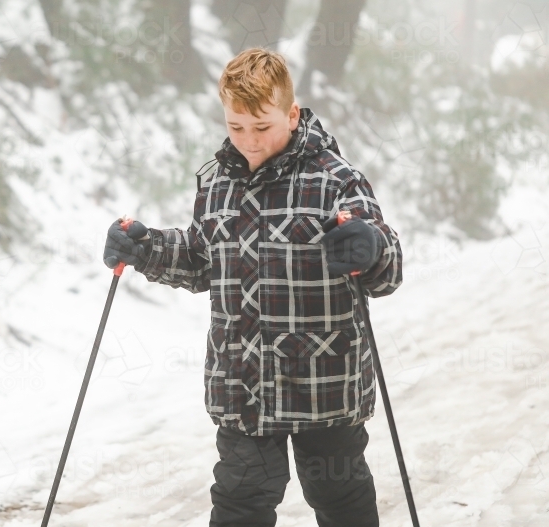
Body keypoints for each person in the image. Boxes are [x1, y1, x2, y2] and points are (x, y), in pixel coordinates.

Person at [102, 47, 403, 527]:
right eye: (235, 126)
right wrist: (147, 248)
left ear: (292, 113)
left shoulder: (335, 181)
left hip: (324, 383)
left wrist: (370, 247)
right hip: (242, 384)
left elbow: (386, 268)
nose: (249, 141)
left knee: (338, 494)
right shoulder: (218, 182)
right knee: (240, 499)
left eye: (262, 127)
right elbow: (202, 259)